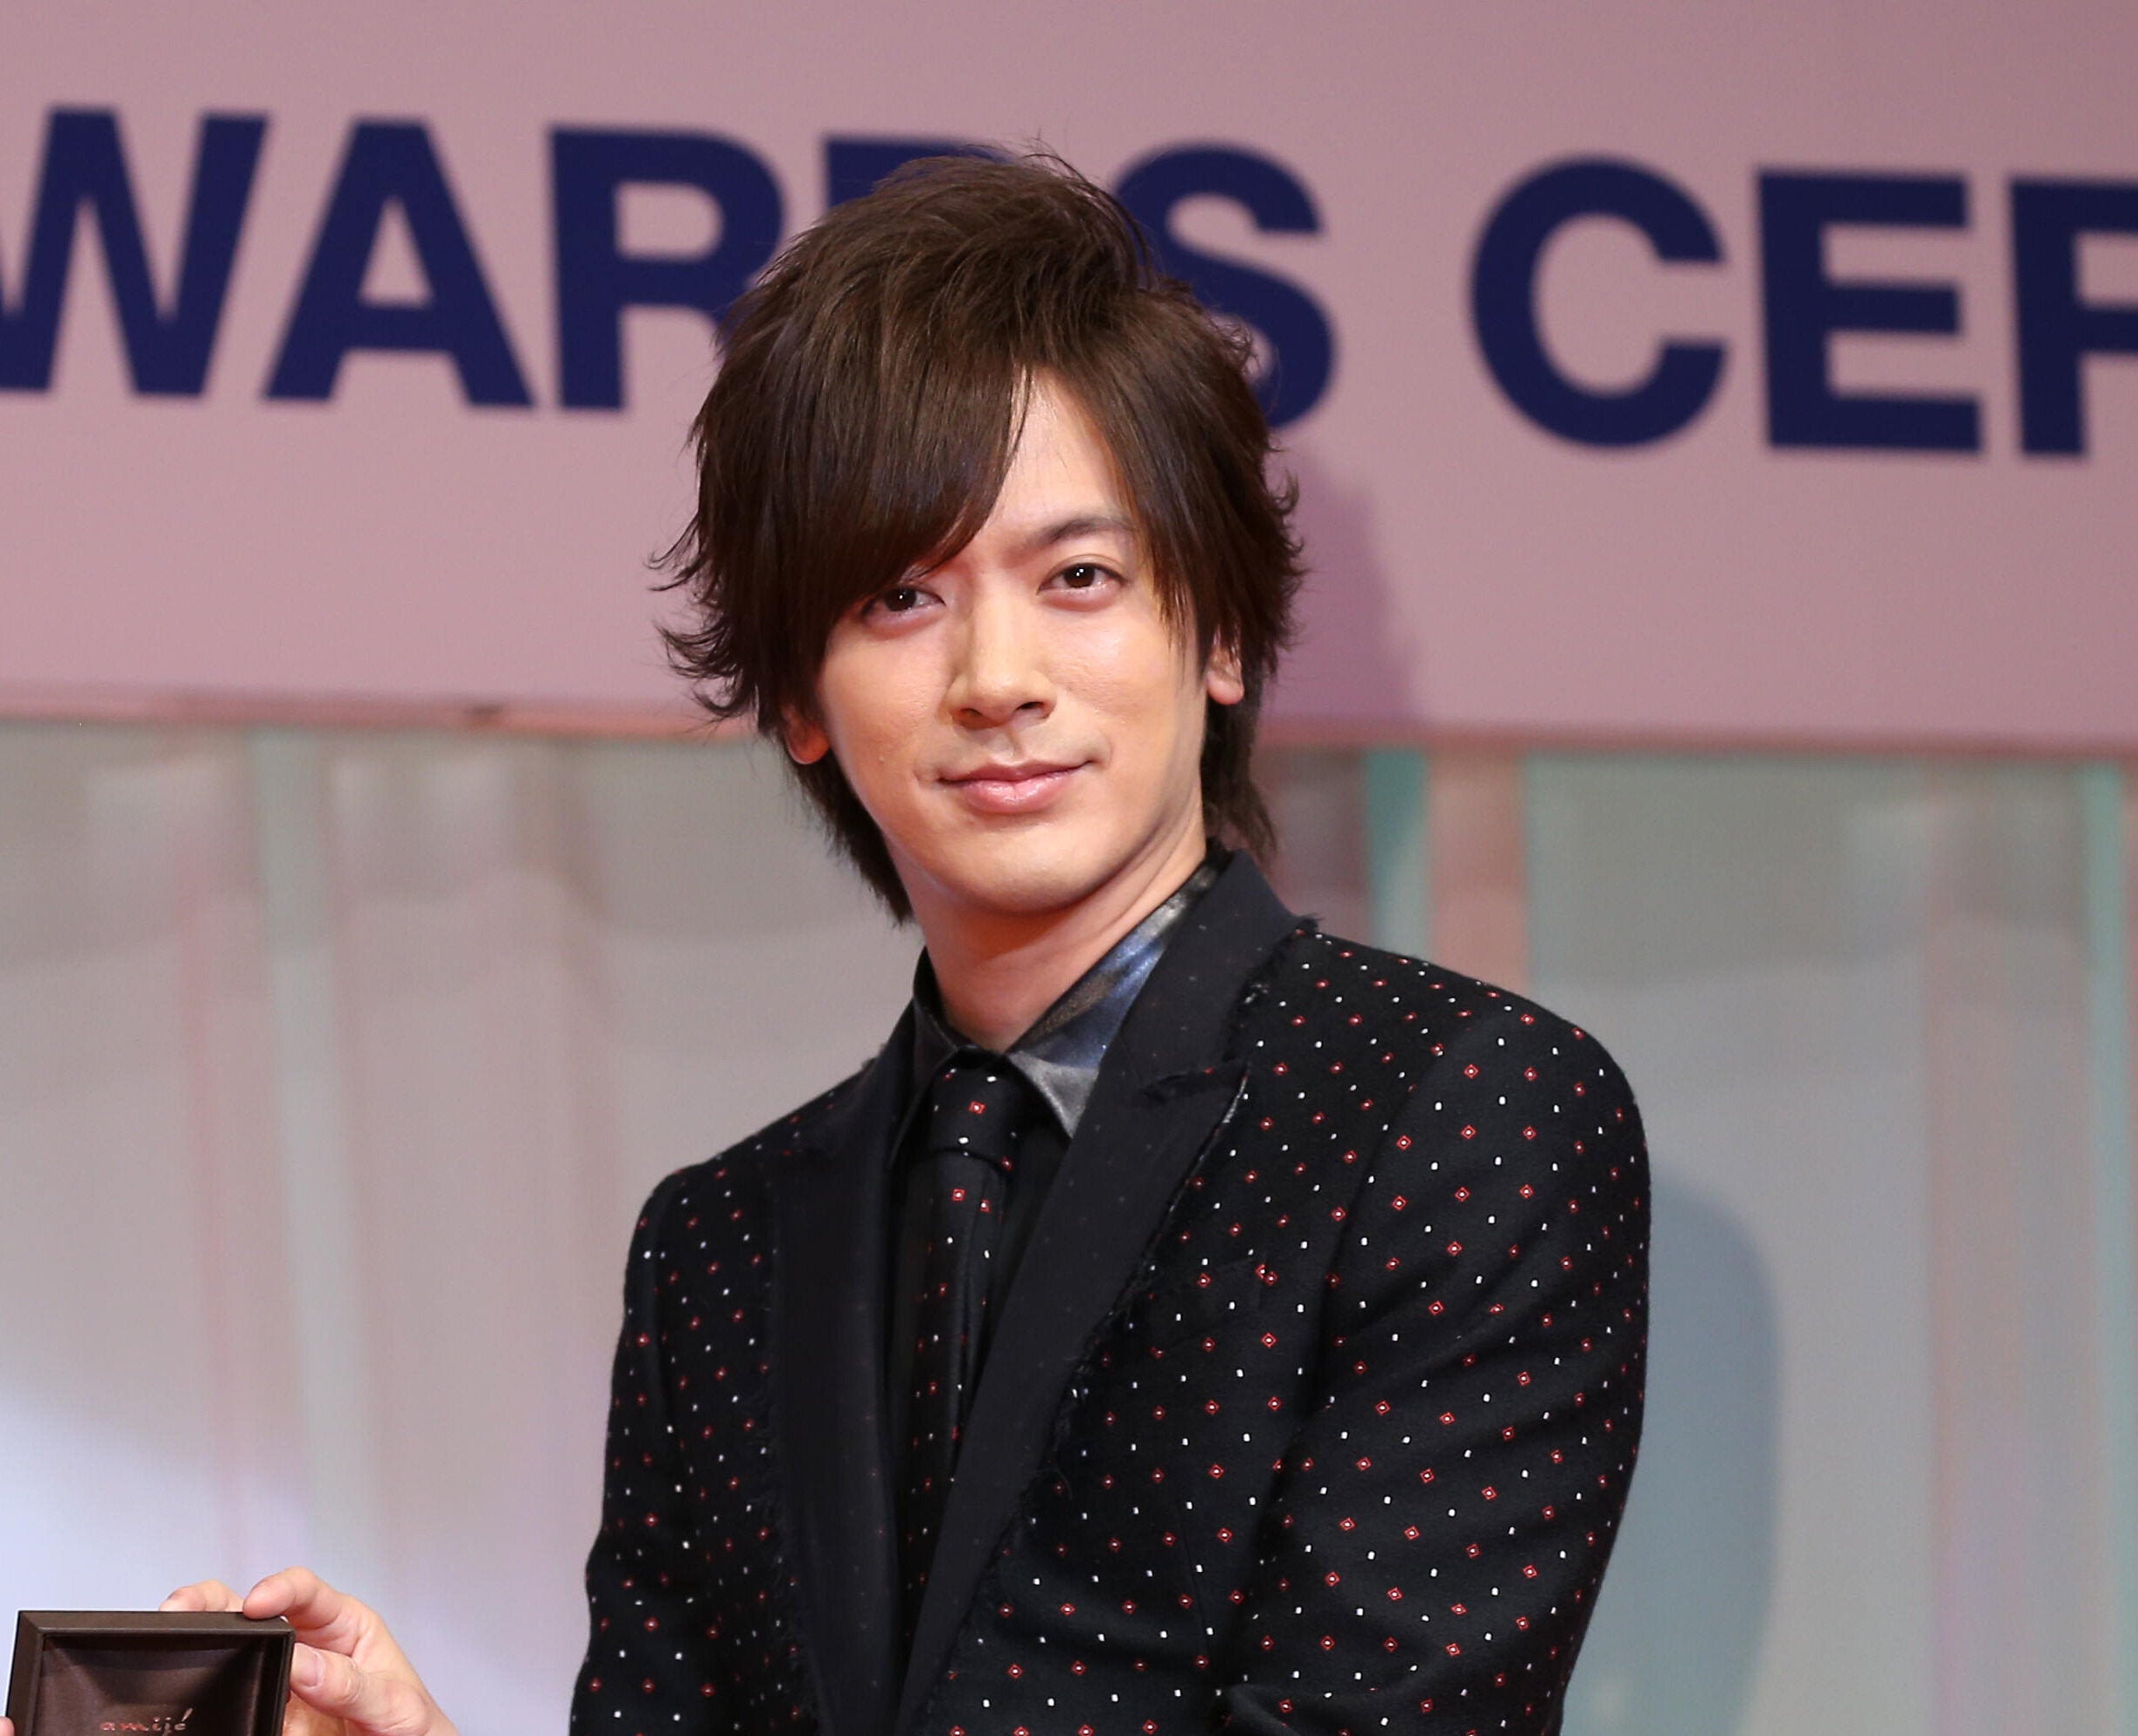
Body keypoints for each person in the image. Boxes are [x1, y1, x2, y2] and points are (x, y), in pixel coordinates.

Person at [115, 152, 1647, 1735]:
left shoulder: (1454, 1110)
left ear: (1222, 632)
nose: (997, 676)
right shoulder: (718, 1249)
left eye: (1079, 577)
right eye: (903, 597)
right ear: (796, 695)